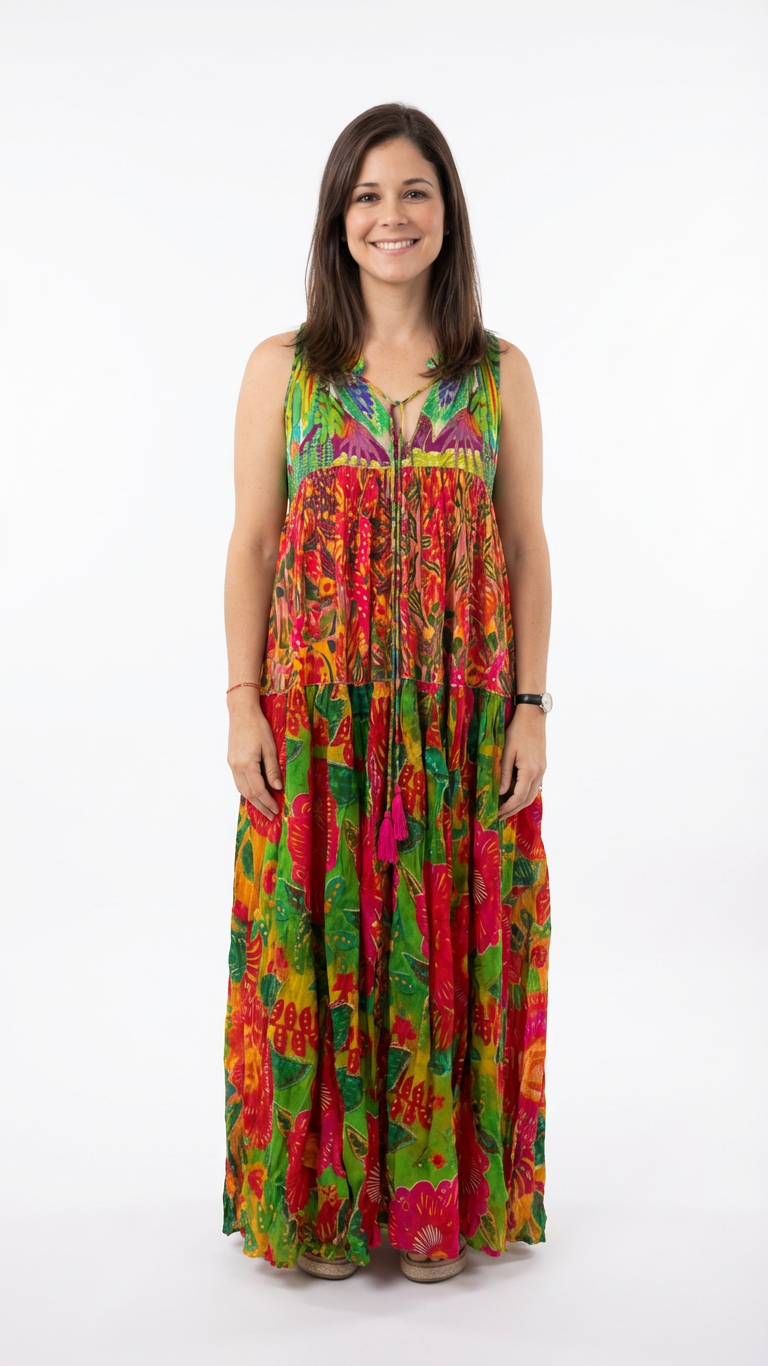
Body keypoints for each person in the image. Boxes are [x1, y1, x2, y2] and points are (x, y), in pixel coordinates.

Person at [221, 103, 552, 1284]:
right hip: (321, 719)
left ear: (447, 211)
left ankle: (434, 1206)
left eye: (413, 191)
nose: (390, 216)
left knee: (454, 937)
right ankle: (318, 1202)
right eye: (367, 196)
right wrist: (243, 697)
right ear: (336, 218)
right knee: (309, 939)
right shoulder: (288, 370)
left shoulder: (497, 372)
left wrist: (530, 707)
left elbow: (525, 546)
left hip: (459, 720)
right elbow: (255, 544)